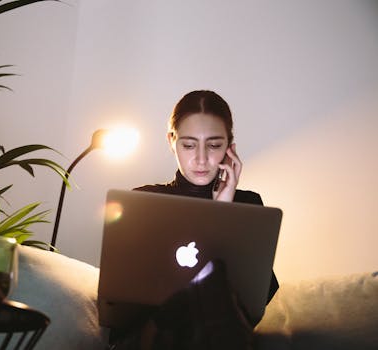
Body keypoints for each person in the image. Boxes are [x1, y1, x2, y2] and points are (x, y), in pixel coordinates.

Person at [109, 90, 279, 350]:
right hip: (153, 333)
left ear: (230, 147)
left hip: (222, 333)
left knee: (213, 304)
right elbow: (123, 299)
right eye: (189, 145)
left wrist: (223, 210)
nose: (201, 159)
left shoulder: (248, 205)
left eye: (213, 145)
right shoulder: (145, 201)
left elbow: (261, 299)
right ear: (171, 141)